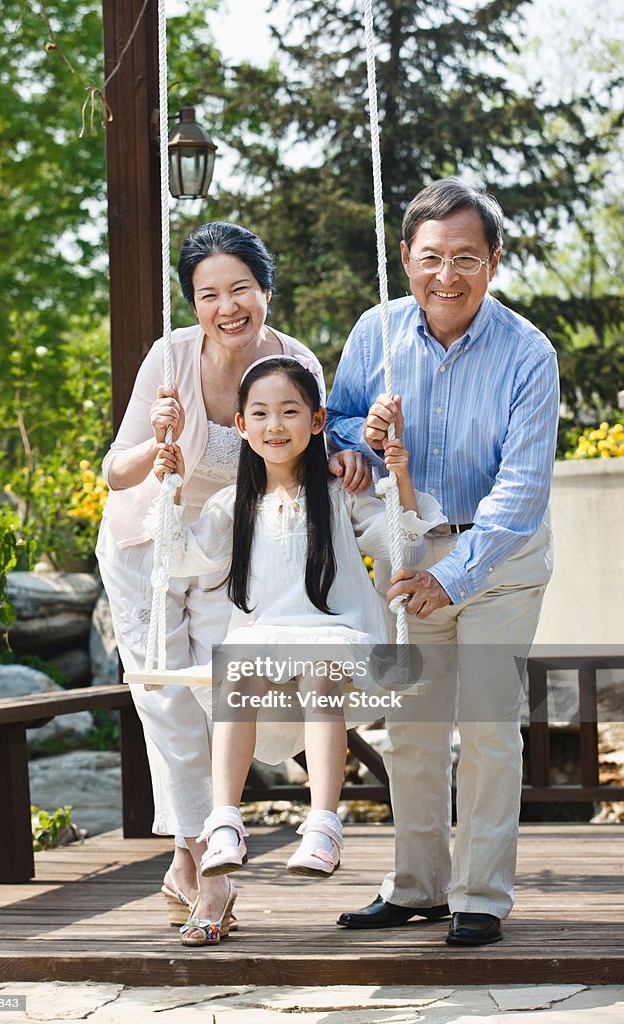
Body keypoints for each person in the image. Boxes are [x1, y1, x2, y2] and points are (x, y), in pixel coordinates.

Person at [96, 223, 370, 936]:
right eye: (208, 294)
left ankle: (195, 859)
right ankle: (204, 870)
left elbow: (321, 439)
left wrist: (350, 458)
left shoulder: (292, 359)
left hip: (234, 544)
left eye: (240, 289)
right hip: (146, 548)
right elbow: (113, 472)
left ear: (265, 289)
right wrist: (157, 446)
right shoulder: (170, 359)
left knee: (222, 692)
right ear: (192, 301)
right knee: (166, 705)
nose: (227, 307)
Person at [326, 177, 559, 946]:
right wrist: (363, 437)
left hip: (499, 562)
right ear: (405, 257)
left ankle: (481, 897)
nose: (445, 276)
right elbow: (332, 424)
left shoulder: (528, 354)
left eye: (465, 257)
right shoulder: (376, 331)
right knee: (415, 727)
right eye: (430, 257)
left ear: (493, 261)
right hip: (408, 547)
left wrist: (448, 578)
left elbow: (520, 493)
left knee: (489, 725)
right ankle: (417, 887)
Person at [152, 355, 446, 945]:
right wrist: (169, 486)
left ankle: (323, 823)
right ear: (240, 425)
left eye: (290, 411)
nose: (274, 424)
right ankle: (225, 820)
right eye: (259, 413)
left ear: (316, 422)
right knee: (234, 671)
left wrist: (397, 476)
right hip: (263, 639)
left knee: (319, 673)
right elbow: (181, 556)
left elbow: (401, 537)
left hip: (335, 634)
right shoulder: (232, 503)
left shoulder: (339, 487)